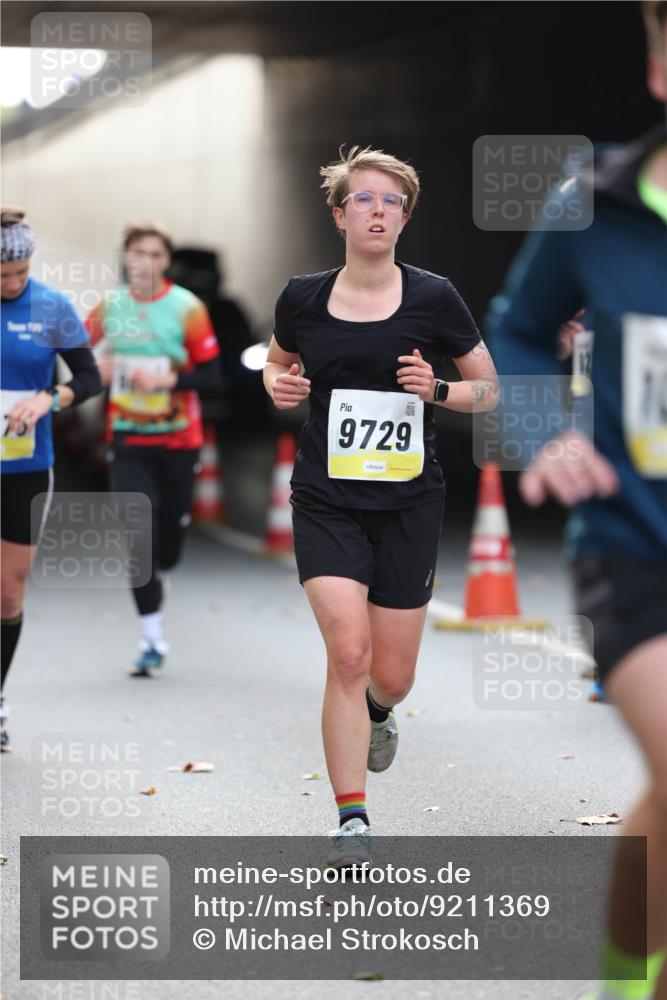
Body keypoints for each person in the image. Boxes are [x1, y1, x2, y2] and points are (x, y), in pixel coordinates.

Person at [486, 4, 667, 996]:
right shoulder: (591, 200)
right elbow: (516, 332)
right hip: (637, 549)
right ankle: (625, 973)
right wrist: (544, 433)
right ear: (658, 74)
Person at [263, 146, 499, 867]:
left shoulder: (434, 298)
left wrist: (433, 391)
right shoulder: (302, 297)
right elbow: (277, 361)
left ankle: (378, 713)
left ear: (404, 218)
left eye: (390, 202)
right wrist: (278, 384)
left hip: (407, 504)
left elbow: (488, 390)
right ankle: (351, 817)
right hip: (326, 499)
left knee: (389, 676)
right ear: (338, 213)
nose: (376, 211)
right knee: (349, 653)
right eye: (362, 199)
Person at [85, 220, 221, 675]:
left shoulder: (187, 308)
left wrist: (169, 380)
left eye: (157, 255)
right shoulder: (110, 305)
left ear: (167, 261)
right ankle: (152, 639)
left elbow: (214, 376)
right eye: (139, 253)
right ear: (126, 258)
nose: (148, 262)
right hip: (127, 438)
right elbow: (73, 353)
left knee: (167, 547)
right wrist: (93, 372)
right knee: (138, 541)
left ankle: (167, 557)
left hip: (180, 439)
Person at [1, 206, 102, 750]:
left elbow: (88, 378)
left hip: (24, 466)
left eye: (20, 273)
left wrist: (50, 397)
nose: (13, 284)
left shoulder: (50, 306)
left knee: (8, 594)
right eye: (2, 277)